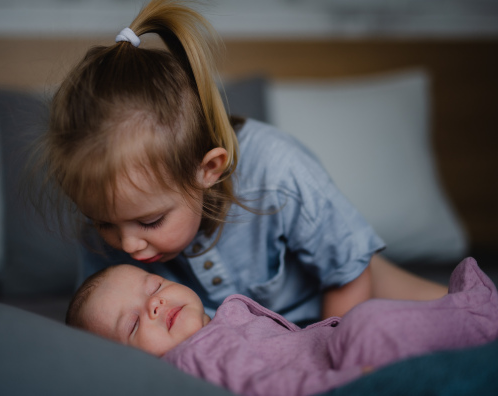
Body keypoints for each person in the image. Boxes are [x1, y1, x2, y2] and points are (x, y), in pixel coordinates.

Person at [36, 0, 447, 325]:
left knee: (447, 314)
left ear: (208, 169)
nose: (126, 245)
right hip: (252, 337)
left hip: (336, 288)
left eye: (150, 221)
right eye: (103, 222)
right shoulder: (113, 213)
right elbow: (100, 327)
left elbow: (348, 275)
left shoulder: (279, 172)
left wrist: (328, 351)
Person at [65, 257, 498, 396]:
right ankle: (479, 311)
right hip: (340, 373)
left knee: (374, 321)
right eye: (137, 321)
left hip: (333, 350)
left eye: (153, 284)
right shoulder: (196, 354)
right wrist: (349, 380)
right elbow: (264, 385)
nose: (156, 302)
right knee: (370, 321)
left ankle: (465, 314)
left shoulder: (215, 325)